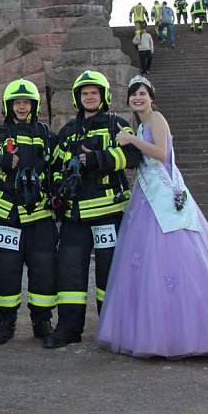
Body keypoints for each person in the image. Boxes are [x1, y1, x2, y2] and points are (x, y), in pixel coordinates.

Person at [96, 75, 208, 358]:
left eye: (142, 93)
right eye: (133, 95)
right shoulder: (141, 124)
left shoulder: (156, 119)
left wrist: (131, 139)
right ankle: (154, 332)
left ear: (151, 97)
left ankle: (191, 332)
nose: (138, 98)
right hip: (145, 199)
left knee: (176, 259)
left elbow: (161, 153)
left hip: (165, 197)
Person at [44, 71, 141, 349]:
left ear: (103, 97)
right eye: (85, 92)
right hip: (75, 216)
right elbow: (57, 168)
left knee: (108, 276)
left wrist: (96, 159)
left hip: (107, 215)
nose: (89, 96)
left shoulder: (117, 125)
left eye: (94, 92)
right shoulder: (67, 133)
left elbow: (133, 156)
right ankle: (68, 329)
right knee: (70, 273)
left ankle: (112, 329)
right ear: (78, 97)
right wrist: (60, 187)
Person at [0, 79, 58, 344]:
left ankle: (42, 320)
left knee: (43, 269)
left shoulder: (46, 134)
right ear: (9, 106)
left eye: (26, 103)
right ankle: (6, 322)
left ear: (33, 106)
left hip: (40, 216)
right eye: (17, 103)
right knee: (6, 271)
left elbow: (59, 164)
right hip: (6, 214)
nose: (21, 107)